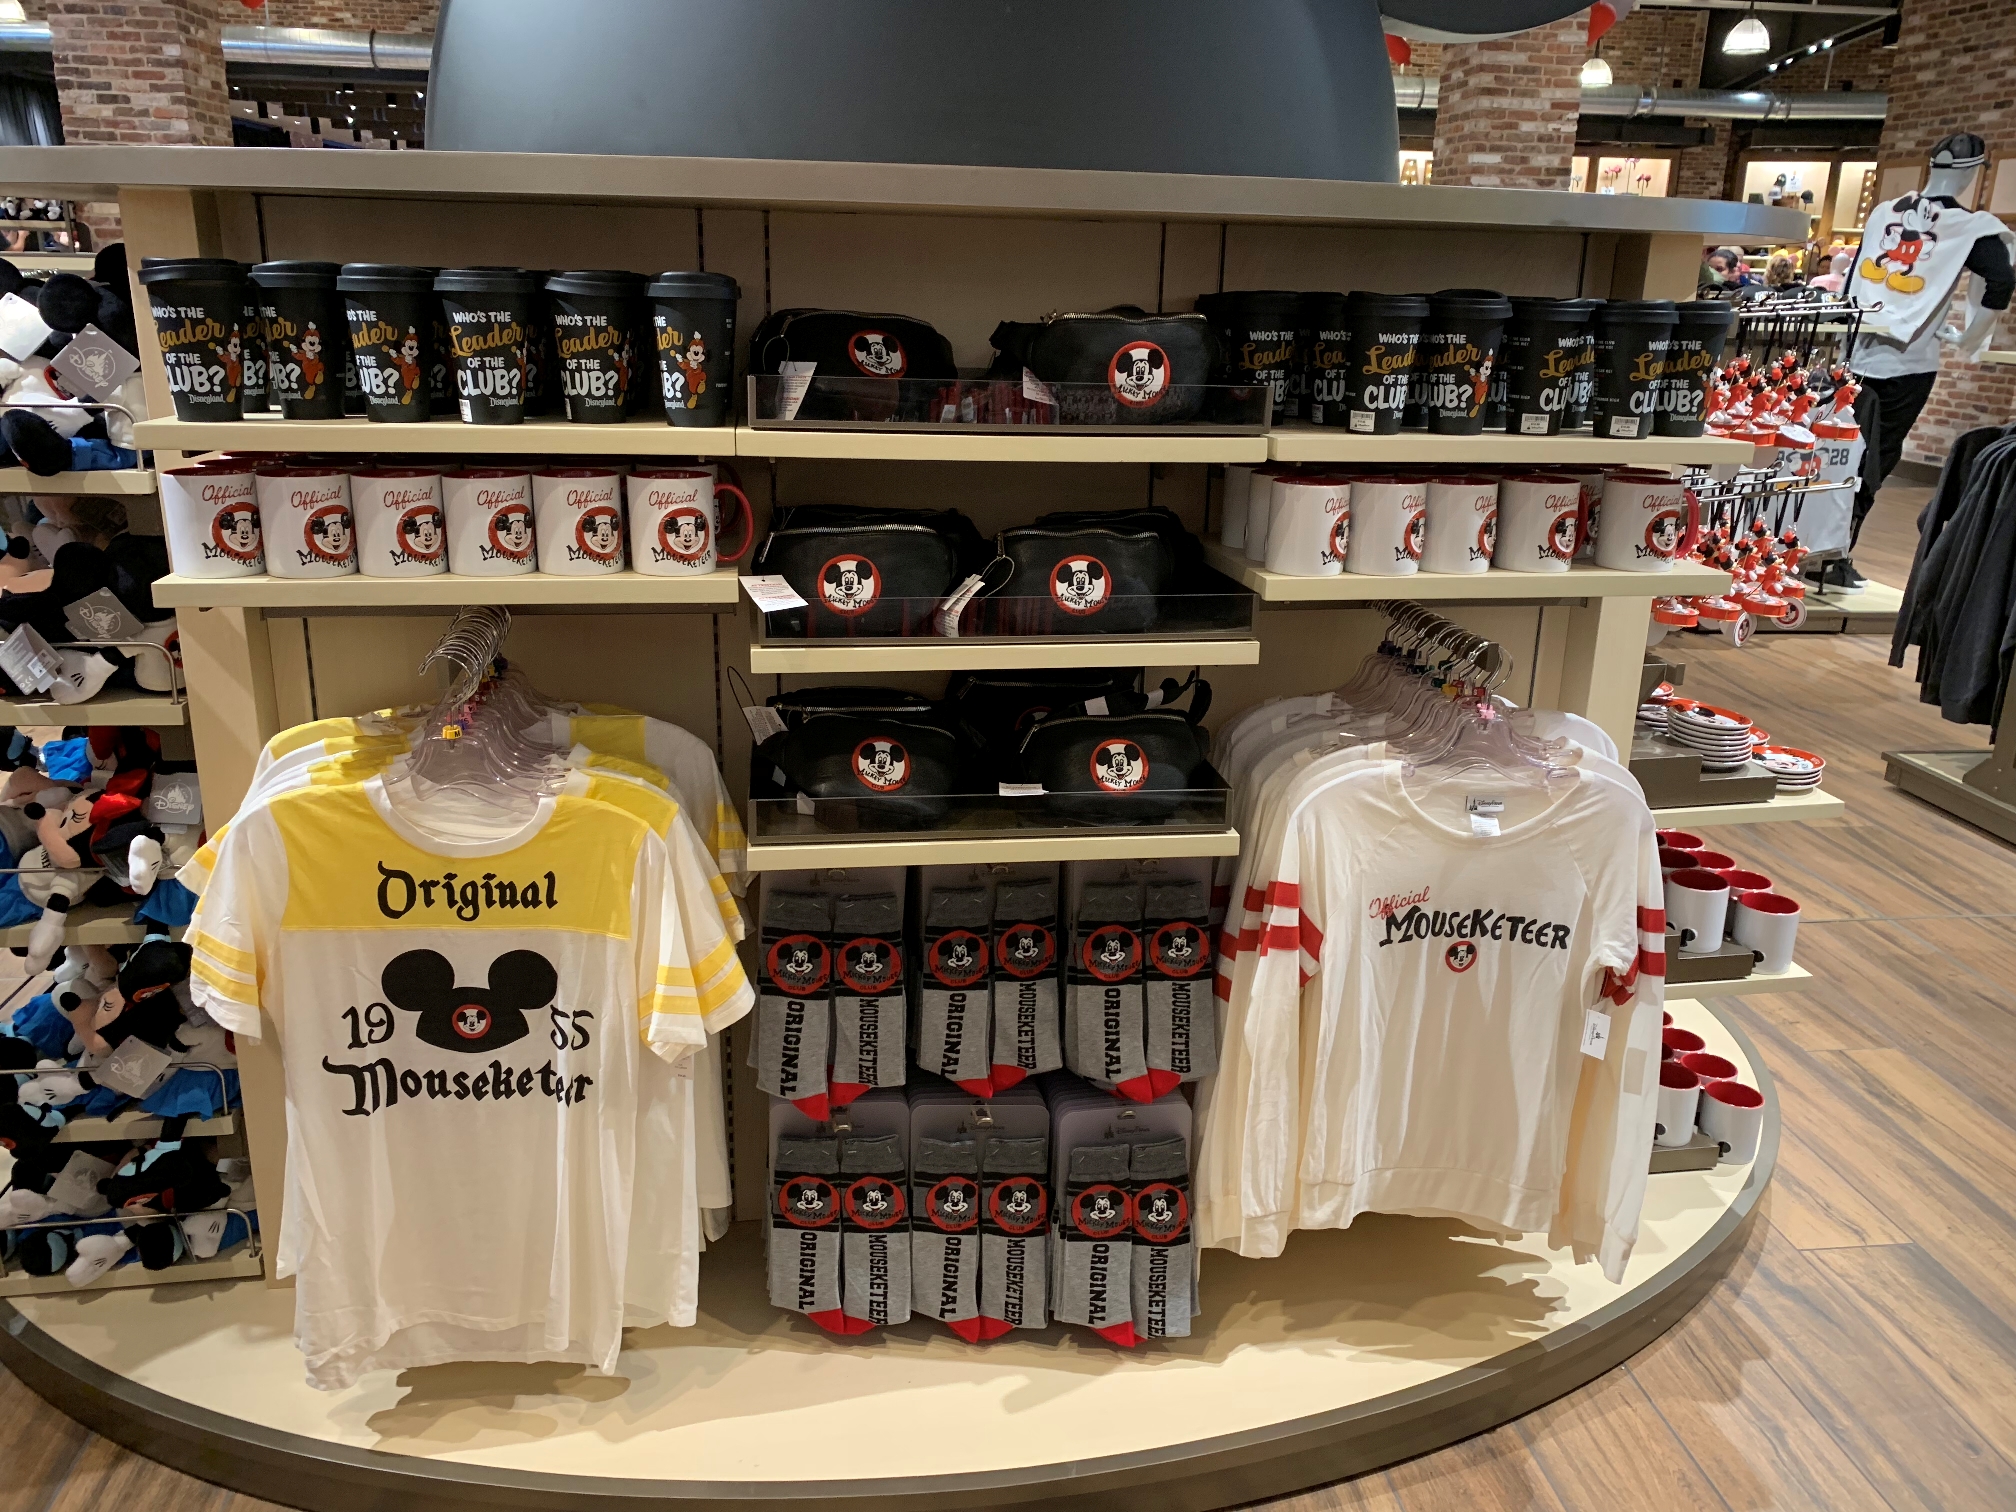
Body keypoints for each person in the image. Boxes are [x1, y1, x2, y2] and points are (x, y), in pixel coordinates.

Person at [1838, 132, 2016, 594]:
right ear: (1973, 172)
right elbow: (2002, 280)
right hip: (1908, 362)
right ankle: (1836, 555)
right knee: (1875, 459)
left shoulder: (1883, 212)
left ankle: (1819, 549)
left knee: (1838, 453)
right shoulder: (1969, 227)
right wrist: (1969, 338)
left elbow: (1854, 277)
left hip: (1855, 351)